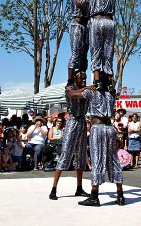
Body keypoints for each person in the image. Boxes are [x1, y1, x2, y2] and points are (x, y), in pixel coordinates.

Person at [77, 0, 141, 89]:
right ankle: (110, 81)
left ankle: (97, 80)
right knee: (108, 52)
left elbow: (80, 4)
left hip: (96, 21)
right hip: (110, 22)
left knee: (95, 51)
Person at [66, 73, 125, 207]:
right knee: (113, 160)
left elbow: (72, 94)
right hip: (109, 128)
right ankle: (120, 194)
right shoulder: (110, 95)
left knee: (97, 158)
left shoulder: (91, 93)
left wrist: (73, 88)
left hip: (97, 128)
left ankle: (94, 195)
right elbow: (113, 92)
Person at [49, 70, 91, 200]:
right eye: (81, 77)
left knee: (81, 155)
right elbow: (73, 94)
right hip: (72, 121)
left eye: (85, 77)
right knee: (66, 153)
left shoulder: (87, 91)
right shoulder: (70, 89)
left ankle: (79, 187)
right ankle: (54, 188)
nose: (83, 79)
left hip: (82, 121)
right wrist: (86, 88)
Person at [67, 0, 93, 86]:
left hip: (84, 26)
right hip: (77, 26)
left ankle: (81, 75)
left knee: (84, 53)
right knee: (76, 53)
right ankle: (70, 80)